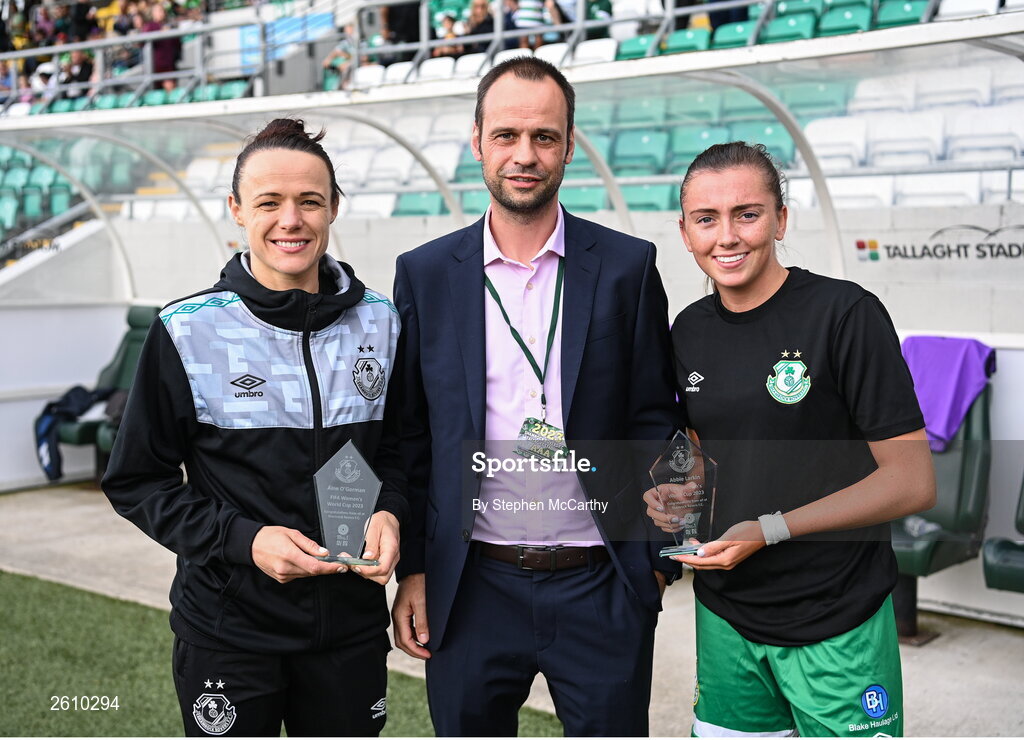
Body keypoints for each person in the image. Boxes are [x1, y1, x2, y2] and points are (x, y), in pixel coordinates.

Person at [390, 56, 681, 736]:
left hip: (600, 581)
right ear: (478, 142)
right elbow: (411, 436)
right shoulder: (426, 275)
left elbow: (655, 420)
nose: (526, 155)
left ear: (570, 145)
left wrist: (655, 561)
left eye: (544, 137)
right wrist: (414, 571)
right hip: (471, 587)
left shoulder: (627, 267)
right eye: (507, 135)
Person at [102, 118, 406, 737]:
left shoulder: (382, 322)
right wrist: (245, 540)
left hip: (349, 630)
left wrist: (391, 510)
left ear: (334, 208)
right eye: (269, 202)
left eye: (309, 201)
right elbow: (137, 480)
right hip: (228, 632)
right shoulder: (187, 330)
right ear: (237, 210)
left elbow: (403, 451)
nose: (290, 220)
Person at [644, 141, 936, 737]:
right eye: (707, 219)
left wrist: (769, 528)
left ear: (781, 218)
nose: (727, 236)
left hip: (836, 614)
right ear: (684, 231)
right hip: (728, 614)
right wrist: (678, 500)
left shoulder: (845, 314)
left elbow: (912, 482)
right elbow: (706, 455)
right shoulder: (688, 330)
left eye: (747, 214)